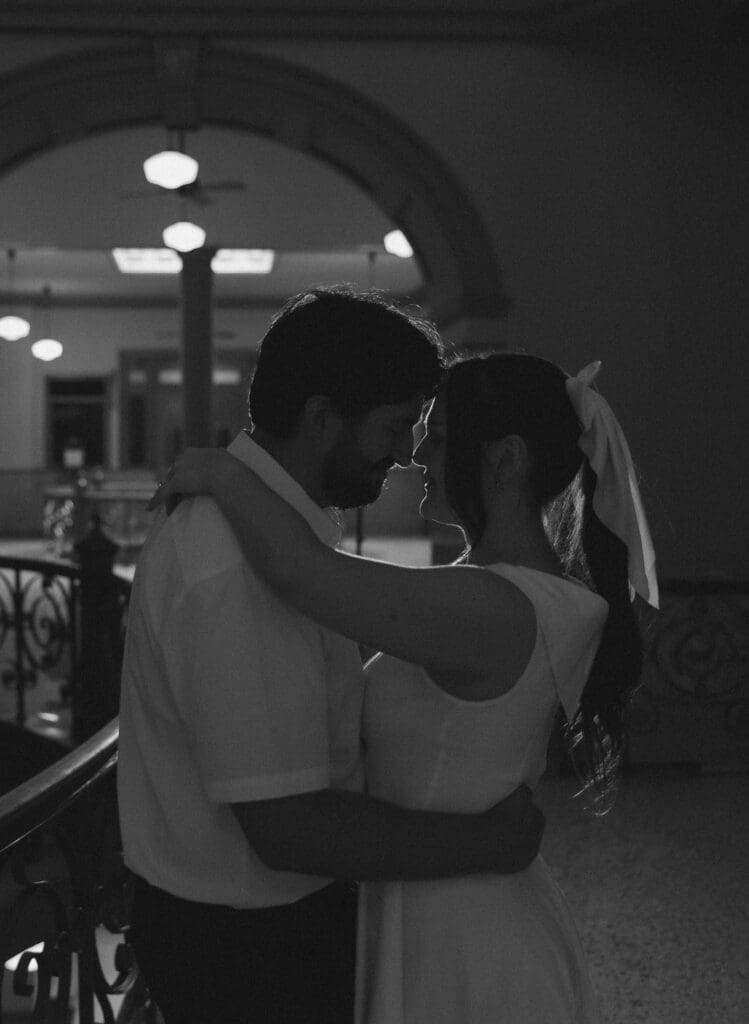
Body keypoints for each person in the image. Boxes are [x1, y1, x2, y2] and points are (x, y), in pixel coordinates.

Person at [151, 351, 660, 1024]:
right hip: (435, 899)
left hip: (465, 931)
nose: (417, 453)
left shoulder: (498, 606)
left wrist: (224, 471)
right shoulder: (488, 588)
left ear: (505, 458)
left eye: (440, 435)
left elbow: (304, 573)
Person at [118, 288, 545, 1024]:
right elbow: (286, 829)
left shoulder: (270, 536)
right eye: (396, 425)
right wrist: (491, 843)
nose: (408, 454)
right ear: (322, 418)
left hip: (253, 929)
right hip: (250, 947)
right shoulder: (233, 566)